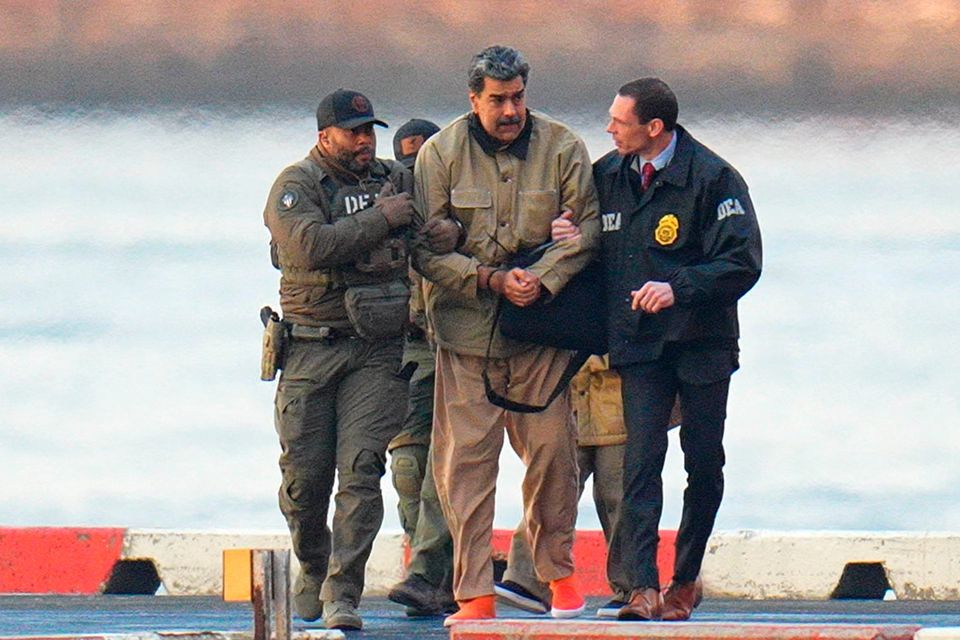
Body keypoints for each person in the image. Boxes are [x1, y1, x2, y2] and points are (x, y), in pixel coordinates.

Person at [410, 44, 600, 626]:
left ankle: (558, 578)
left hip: (541, 333)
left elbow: (587, 229)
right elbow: (421, 249)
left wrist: (540, 280)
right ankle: (474, 594)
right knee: (465, 466)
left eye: (518, 97)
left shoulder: (564, 146)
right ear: (474, 99)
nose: (510, 110)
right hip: (466, 335)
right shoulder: (438, 155)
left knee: (553, 454)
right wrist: (489, 279)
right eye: (498, 100)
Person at [594, 77, 762, 621]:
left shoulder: (714, 178)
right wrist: (565, 232)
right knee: (641, 461)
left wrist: (679, 288)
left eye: (620, 121)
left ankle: (684, 580)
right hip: (640, 344)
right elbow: (586, 247)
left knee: (703, 460)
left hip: (703, 343)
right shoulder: (607, 176)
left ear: (654, 128)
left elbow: (743, 262)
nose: (610, 128)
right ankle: (642, 587)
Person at [262, 88, 424, 631]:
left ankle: (343, 594)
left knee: (361, 472)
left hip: (376, 352)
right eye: (352, 132)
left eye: (369, 131)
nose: (363, 142)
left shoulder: (392, 180)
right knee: (304, 484)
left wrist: (439, 231)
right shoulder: (296, 186)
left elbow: (428, 230)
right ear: (323, 136)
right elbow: (309, 246)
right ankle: (312, 561)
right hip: (310, 349)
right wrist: (381, 221)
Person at [385, 118, 459, 617]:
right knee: (409, 467)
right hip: (406, 350)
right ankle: (426, 571)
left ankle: (433, 571)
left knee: (445, 467)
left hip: (455, 345)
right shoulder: (386, 209)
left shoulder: (456, 210)